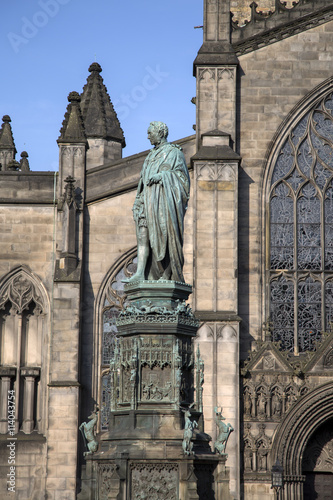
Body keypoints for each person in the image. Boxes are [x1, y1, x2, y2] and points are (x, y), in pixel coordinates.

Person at [127, 121, 190, 283]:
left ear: (160, 133)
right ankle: (140, 272)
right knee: (142, 236)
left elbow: (183, 180)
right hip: (146, 202)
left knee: (167, 238)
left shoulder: (173, 153)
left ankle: (167, 275)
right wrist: (138, 201)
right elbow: (142, 181)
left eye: (150, 133)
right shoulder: (150, 155)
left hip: (164, 204)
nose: (147, 136)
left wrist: (162, 177)